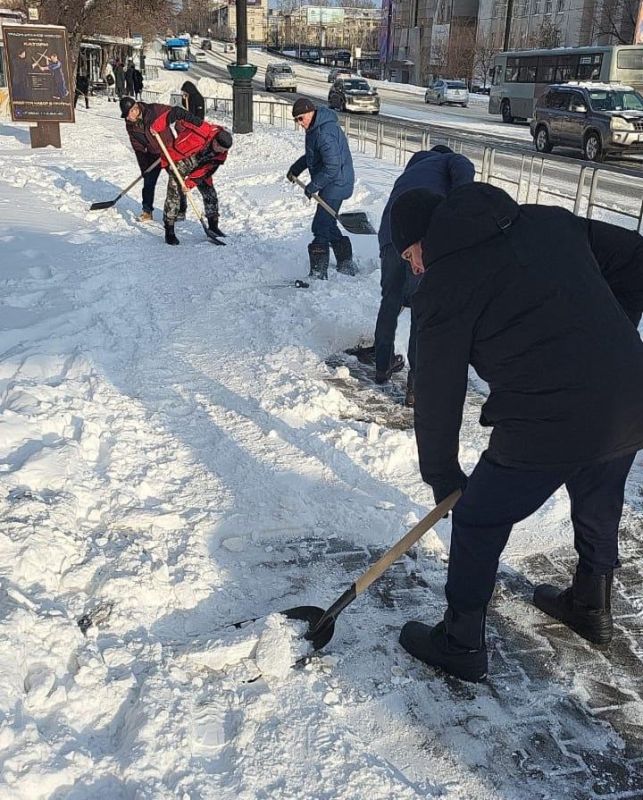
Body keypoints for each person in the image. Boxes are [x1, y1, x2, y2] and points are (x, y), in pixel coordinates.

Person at [390, 183, 643, 683]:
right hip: (630, 397)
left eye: (410, 254)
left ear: (424, 240)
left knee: (480, 519)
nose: (414, 267)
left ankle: (460, 641)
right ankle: (591, 604)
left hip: (546, 420)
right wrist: (612, 338)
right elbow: (638, 258)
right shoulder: (547, 221)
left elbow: (438, 392)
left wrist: (443, 476)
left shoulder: (444, 285)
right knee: (599, 489)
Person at [374, 145, 474, 401]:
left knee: (390, 299)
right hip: (418, 237)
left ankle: (382, 365)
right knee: (422, 308)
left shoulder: (412, 171)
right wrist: (462, 202)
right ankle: (415, 386)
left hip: (391, 238)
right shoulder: (446, 162)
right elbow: (464, 164)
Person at [120, 97, 232, 244]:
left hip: (199, 165)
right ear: (215, 139)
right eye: (218, 147)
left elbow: (206, 171)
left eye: (222, 150)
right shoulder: (203, 128)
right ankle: (169, 229)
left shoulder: (220, 155)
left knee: (209, 191)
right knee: (174, 191)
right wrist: (158, 125)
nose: (218, 150)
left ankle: (213, 226)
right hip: (180, 159)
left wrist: (190, 183)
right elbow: (177, 112)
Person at [286, 98, 356, 280]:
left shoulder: (324, 132)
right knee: (328, 223)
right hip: (332, 181)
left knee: (320, 225)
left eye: (301, 118)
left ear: (310, 112)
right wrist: (296, 168)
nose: (300, 123)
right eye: (296, 120)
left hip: (337, 182)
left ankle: (318, 272)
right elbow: (313, 154)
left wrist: (314, 185)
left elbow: (332, 166)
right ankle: (346, 262)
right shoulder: (315, 127)